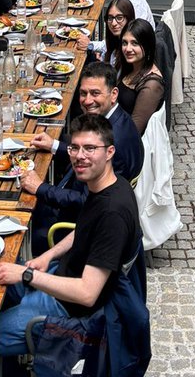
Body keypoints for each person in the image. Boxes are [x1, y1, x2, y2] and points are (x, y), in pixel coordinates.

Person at [0, 113, 140, 377]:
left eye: (90, 148)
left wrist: (27, 275)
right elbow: (84, 230)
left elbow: (88, 294)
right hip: (58, 277)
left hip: (70, 313)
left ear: (110, 152)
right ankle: (3, 341)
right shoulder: (108, 186)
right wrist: (49, 255)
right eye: (74, 148)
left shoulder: (114, 213)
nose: (79, 156)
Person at [21, 62, 144, 254]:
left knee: (22, 221)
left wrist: (41, 188)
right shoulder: (117, 119)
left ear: (113, 94)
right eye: (83, 93)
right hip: (77, 196)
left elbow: (87, 201)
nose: (87, 101)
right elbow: (89, 154)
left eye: (95, 93)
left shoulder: (116, 142)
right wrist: (54, 145)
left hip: (78, 224)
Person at [117, 18, 165, 135]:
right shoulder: (132, 66)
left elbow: (134, 131)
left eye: (135, 43)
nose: (128, 49)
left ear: (147, 46)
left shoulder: (152, 86)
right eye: (125, 43)